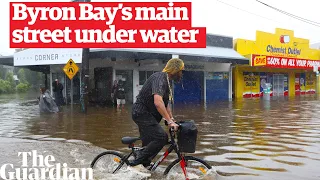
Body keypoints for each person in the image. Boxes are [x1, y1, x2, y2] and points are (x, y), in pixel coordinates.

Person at [130, 58, 184, 167]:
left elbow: (165, 104)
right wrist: (168, 121)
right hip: (141, 113)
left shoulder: (168, 83)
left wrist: (171, 119)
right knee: (161, 137)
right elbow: (158, 102)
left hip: (150, 116)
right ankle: (135, 161)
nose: (181, 74)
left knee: (149, 147)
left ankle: (141, 166)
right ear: (175, 70)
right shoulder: (159, 78)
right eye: (180, 71)